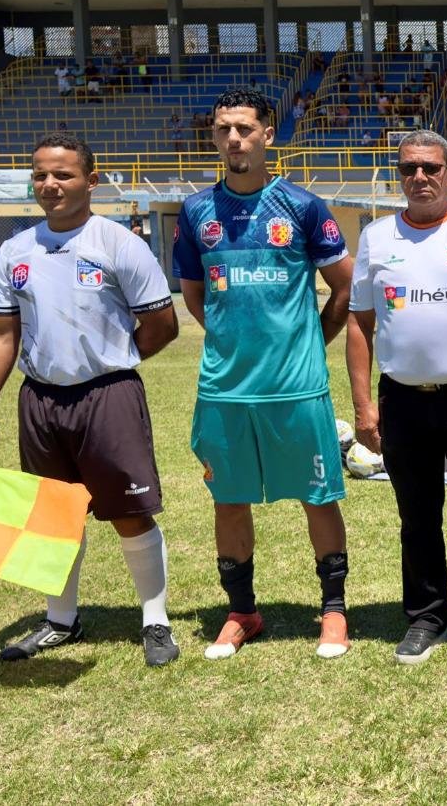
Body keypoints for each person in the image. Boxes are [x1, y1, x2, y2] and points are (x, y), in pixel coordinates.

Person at [0, 132, 180, 666]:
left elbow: (161, 323)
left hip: (108, 395)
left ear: (91, 180)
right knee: (52, 517)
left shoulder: (118, 243)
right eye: (40, 175)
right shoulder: (16, 250)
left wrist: (113, 360)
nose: (50, 185)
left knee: (131, 512)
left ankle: (155, 622)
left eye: (63, 174)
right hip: (40, 402)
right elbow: (0, 334)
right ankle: (61, 621)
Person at [171, 87, 355, 661]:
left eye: (245, 128)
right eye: (224, 128)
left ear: (268, 135)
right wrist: (230, 338)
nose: (234, 139)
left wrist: (310, 340)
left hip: (297, 387)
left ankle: (333, 611)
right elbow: (195, 295)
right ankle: (241, 612)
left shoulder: (302, 206)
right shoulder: (196, 210)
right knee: (229, 500)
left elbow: (346, 285)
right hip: (226, 388)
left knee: (317, 497)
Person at [346, 131, 447, 665]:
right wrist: (364, 405)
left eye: (431, 168)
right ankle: (426, 616)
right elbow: (360, 323)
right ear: (399, 174)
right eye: (409, 168)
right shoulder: (375, 237)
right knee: (417, 515)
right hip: (403, 398)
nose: (420, 177)